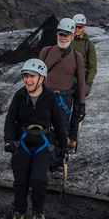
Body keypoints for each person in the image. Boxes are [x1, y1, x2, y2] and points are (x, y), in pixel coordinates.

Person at [4, 59, 68, 219]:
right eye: (25, 76)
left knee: (39, 180)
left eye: (32, 76)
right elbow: (10, 120)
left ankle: (38, 211)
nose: (28, 80)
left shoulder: (50, 97)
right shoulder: (19, 96)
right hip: (22, 145)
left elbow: (58, 122)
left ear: (41, 78)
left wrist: (64, 146)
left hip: (43, 146)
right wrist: (9, 141)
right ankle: (19, 211)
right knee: (21, 182)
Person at [39, 18, 86, 170]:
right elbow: (37, 76)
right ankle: (41, 162)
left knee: (60, 132)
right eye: (61, 34)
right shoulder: (45, 52)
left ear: (72, 36)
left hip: (63, 100)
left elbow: (81, 82)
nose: (63, 37)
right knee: (41, 130)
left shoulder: (76, 57)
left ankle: (56, 164)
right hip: (44, 97)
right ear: (57, 34)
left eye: (67, 34)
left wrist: (82, 103)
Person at [70, 13, 97, 149]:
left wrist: (88, 83)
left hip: (80, 83)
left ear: (84, 27)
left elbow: (93, 67)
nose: (77, 29)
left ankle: (72, 138)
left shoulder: (89, 45)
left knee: (76, 112)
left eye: (79, 27)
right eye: (75, 26)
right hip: (66, 82)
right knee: (64, 111)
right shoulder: (67, 41)